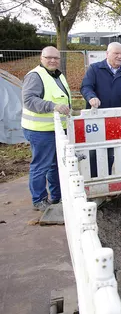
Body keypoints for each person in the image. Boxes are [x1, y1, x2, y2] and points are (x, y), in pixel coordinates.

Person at [21, 46, 72, 211]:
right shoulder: (35, 76)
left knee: (55, 165)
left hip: (56, 129)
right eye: (48, 57)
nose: (52, 61)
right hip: (40, 130)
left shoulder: (57, 75)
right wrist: (52, 106)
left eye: (56, 58)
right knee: (41, 165)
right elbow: (29, 100)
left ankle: (57, 197)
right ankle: (39, 199)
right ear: (41, 58)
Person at [80, 42, 121, 177]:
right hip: (96, 119)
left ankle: (107, 180)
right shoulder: (94, 69)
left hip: (115, 120)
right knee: (95, 153)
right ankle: (95, 182)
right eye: (116, 53)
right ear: (107, 54)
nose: (119, 56)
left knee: (111, 152)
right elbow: (86, 87)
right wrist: (91, 97)